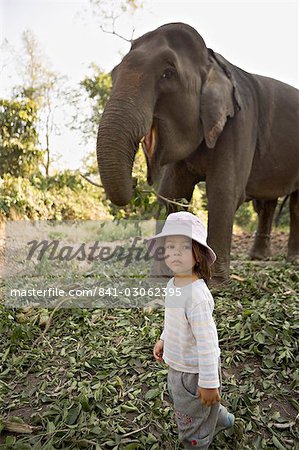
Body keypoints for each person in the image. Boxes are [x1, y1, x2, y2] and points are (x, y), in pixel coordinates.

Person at [147, 211, 234, 449]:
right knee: (189, 405)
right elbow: (173, 319)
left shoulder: (197, 296)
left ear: (198, 255)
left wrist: (208, 382)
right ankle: (221, 419)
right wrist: (164, 338)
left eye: (184, 247)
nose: (175, 252)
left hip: (195, 372)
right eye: (170, 246)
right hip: (177, 365)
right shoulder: (172, 284)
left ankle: (196, 442)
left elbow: (208, 343)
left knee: (190, 424)